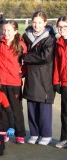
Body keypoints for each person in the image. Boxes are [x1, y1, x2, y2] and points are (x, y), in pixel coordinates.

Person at [22, 11, 55, 145]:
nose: (36, 25)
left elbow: (45, 57)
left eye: (40, 22)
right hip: (31, 76)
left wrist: (26, 58)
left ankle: (46, 134)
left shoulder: (50, 39)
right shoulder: (26, 37)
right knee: (31, 106)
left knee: (43, 108)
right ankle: (34, 133)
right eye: (34, 22)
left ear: (45, 23)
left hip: (44, 77)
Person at [0, 20, 27, 143]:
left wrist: (23, 72)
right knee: (2, 109)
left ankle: (20, 134)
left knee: (16, 109)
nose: (6, 33)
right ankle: (4, 132)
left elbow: (27, 61)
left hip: (14, 82)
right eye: (4, 30)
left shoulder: (21, 45)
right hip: (1, 82)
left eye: (9, 30)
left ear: (15, 31)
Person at [53, 16, 67, 148]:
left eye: (65, 26)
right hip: (65, 83)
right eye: (60, 27)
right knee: (65, 113)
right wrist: (56, 81)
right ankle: (64, 138)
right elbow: (57, 64)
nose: (62, 29)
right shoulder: (58, 43)